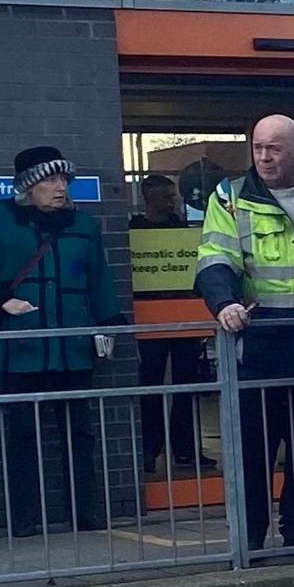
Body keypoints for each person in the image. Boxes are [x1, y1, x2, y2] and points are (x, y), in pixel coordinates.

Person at [0, 146, 118, 537]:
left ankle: (85, 514)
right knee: (21, 436)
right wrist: (0, 299)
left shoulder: (83, 225)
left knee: (79, 433)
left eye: (64, 180)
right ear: (28, 186)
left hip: (72, 347)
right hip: (20, 348)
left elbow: (99, 277)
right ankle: (24, 521)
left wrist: (107, 326)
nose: (60, 188)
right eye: (50, 180)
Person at [195, 116, 294, 552]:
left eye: (274, 149)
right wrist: (224, 302)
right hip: (261, 337)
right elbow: (214, 257)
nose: (264, 157)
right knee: (254, 447)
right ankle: (248, 541)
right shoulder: (231, 198)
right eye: (257, 148)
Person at [127, 175, 208, 477]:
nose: (172, 201)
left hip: (184, 314)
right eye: (165, 196)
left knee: (186, 385)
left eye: (172, 196)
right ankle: (150, 449)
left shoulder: (183, 229)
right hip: (150, 318)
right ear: (149, 198)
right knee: (150, 384)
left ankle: (185, 449)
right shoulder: (136, 230)